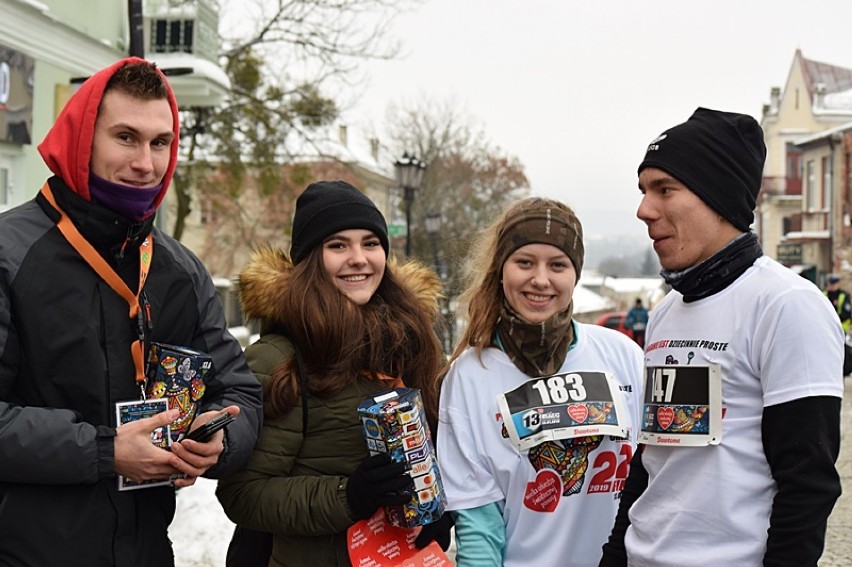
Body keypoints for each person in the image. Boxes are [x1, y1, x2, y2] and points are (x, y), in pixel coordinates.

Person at [0, 57, 263, 566]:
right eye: (126, 137)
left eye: (160, 142)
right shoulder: (11, 255)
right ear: (82, 139)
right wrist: (104, 450)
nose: (146, 162)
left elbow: (240, 392)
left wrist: (221, 438)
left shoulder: (179, 270)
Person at [600, 108, 844, 566]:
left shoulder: (786, 304)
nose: (644, 209)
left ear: (718, 196)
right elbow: (653, 461)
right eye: (643, 190)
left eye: (664, 189)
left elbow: (808, 485)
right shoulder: (667, 311)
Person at [216, 180, 450, 567]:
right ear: (310, 260)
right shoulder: (277, 359)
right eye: (338, 245)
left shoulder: (411, 344)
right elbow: (243, 495)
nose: (358, 258)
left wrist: (441, 509)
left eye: (371, 243)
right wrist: (349, 496)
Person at [436, 197, 644, 567]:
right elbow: (479, 526)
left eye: (558, 265)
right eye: (525, 262)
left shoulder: (622, 355)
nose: (541, 279)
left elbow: (654, 480)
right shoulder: (469, 376)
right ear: (502, 270)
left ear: (575, 274)